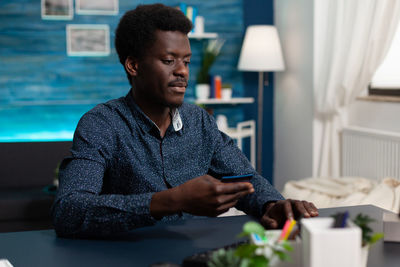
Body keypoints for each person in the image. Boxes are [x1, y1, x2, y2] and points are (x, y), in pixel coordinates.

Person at [52, 3, 318, 237]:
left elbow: (244, 179)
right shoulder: (102, 124)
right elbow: (69, 210)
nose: (181, 71)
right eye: (169, 60)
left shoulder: (199, 121)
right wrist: (170, 201)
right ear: (133, 66)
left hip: (192, 252)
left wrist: (272, 205)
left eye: (187, 61)